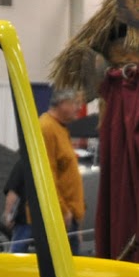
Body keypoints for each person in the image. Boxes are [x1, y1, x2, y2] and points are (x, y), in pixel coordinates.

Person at [37, 89, 88, 254]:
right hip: (58, 218)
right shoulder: (47, 128)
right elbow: (46, 176)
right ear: (62, 103)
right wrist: (62, 210)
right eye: (75, 103)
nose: (78, 108)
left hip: (69, 217)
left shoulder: (59, 128)